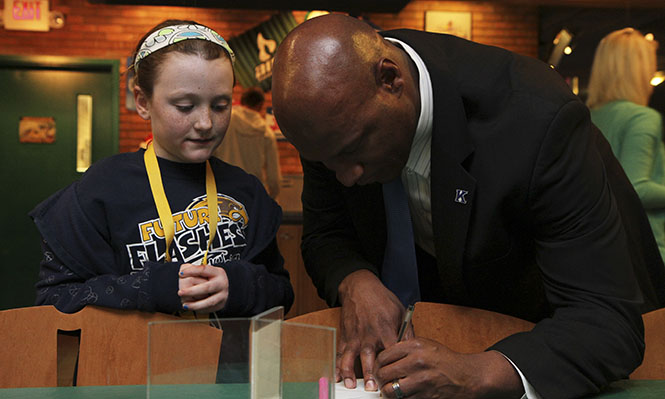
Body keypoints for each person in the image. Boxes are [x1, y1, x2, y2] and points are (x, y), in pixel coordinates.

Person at [271, 14, 665, 399]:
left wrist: (480, 372)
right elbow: (326, 233)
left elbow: (605, 321)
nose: (346, 177)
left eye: (353, 150)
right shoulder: (331, 117)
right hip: (445, 337)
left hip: (557, 348)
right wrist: (355, 279)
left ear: (391, 80)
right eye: (326, 162)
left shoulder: (536, 119)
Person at [31, 20, 293, 318]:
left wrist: (240, 286)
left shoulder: (246, 191)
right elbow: (54, 301)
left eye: (220, 106)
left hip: (229, 363)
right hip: (127, 363)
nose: (205, 122)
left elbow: (282, 291)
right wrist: (152, 287)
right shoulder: (100, 190)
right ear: (143, 101)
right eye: (184, 106)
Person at [587, 28, 665, 263]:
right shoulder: (641, 118)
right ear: (639, 69)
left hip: (607, 247)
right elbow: (636, 188)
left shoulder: (590, 116)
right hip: (649, 247)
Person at [214, 87, 282, 199]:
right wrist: (271, 196)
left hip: (223, 192)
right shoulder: (266, 133)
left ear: (241, 101)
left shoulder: (224, 123)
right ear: (260, 105)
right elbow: (273, 177)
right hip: (252, 195)